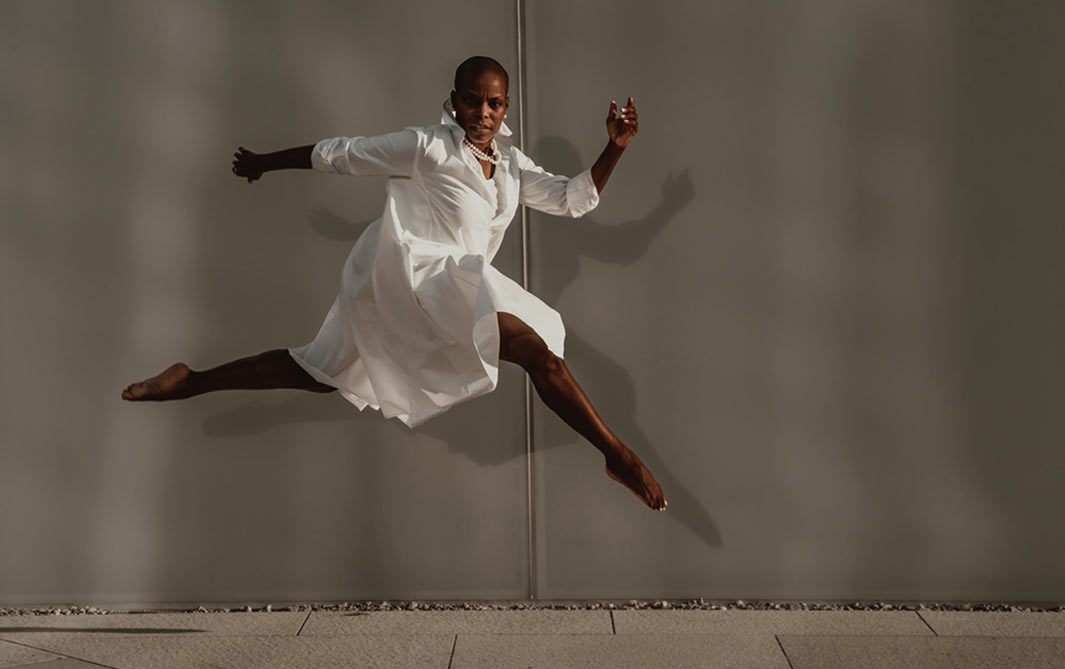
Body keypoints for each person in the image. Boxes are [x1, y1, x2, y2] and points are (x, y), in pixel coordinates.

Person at [121, 56, 668, 512]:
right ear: (453, 100)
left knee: (319, 372)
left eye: (494, 103)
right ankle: (618, 455)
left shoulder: (509, 164)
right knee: (535, 352)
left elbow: (571, 199)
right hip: (413, 279)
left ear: (506, 108)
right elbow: (345, 152)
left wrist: (615, 147)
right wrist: (266, 162)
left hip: (461, 284)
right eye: (473, 100)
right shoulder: (427, 146)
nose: (483, 112)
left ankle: (191, 380)